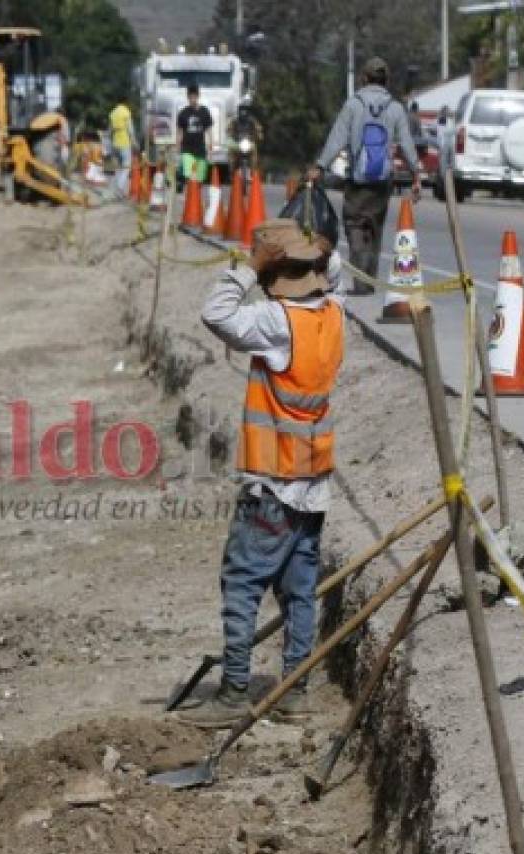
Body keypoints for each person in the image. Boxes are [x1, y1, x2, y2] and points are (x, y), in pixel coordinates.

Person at [179, 219, 344, 729]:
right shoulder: (335, 313)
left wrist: (249, 267)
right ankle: (296, 690)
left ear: (275, 274)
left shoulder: (276, 323)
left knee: (243, 583)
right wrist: (309, 247)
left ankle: (234, 692)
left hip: (274, 482)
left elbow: (215, 313)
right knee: (299, 591)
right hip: (313, 484)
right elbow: (335, 270)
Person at [308, 57, 420, 296]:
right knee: (375, 228)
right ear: (386, 80)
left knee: (355, 225)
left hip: (358, 181)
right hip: (383, 181)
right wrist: (416, 173)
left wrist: (320, 165)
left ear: (364, 78)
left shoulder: (354, 104)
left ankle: (361, 282)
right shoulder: (395, 107)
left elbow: (337, 138)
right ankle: (369, 281)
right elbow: (406, 144)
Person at [177, 84, 213, 185]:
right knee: (190, 177)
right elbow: (180, 131)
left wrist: (211, 145)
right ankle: (189, 198)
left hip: (200, 149)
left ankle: (197, 199)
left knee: (200, 179)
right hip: (187, 149)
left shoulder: (204, 111)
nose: (192, 99)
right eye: (190, 96)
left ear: (198, 96)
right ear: (187, 97)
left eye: (194, 96)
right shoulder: (183, 113)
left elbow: (209, 130)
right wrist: (178, 147)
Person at [108, 98, 137, 198]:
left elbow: (110, 129)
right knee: (126, 166)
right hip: (124, 142)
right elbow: (130, 129)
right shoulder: (126, 112)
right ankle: (120, 188)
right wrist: (134, 142)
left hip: (115, 142)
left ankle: (117, 191)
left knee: (118, 167)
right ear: (126, 103)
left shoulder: (113, 112)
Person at [229, 94, 263, 172]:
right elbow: (229, 128)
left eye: (245, 110)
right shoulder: (235, 121)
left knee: (254, 152)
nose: (243, 113)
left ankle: (253, 170)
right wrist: (231, 134)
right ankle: (231, 171)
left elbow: (258, 128)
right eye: (241, 110)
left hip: (248, 141)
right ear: (239, 111)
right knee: (231, 153)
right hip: (237, 141)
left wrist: (259, 134)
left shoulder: (252, 120)